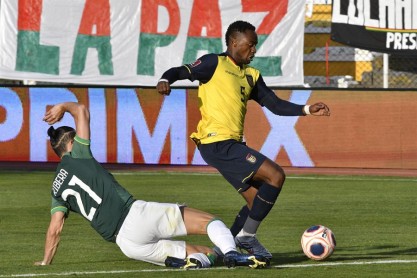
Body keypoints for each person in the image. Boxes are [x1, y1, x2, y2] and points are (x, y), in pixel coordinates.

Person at [157, 20, 330, 260]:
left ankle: (221, 252)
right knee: (276, 175)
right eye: (250, 45)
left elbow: (276, 105)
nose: (254, 50)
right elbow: (180, 71)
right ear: (234, 42)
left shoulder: (251, 75)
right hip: (216, 143)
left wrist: (308, 109)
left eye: (255, 45)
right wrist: (165, 79)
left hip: (232, 145)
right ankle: (247, 238)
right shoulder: (213, 63)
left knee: (255, 200)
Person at [34, 102, 268, 269]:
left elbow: (55, 229)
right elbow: (82, 111)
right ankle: (233, 254)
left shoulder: (56, 187)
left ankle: (201, 261)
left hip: (127, 245)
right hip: (135, 216)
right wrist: (64, 107)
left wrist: (46, 262)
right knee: (211, 222)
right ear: (73, 142)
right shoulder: (79, 153)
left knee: (205, 252)